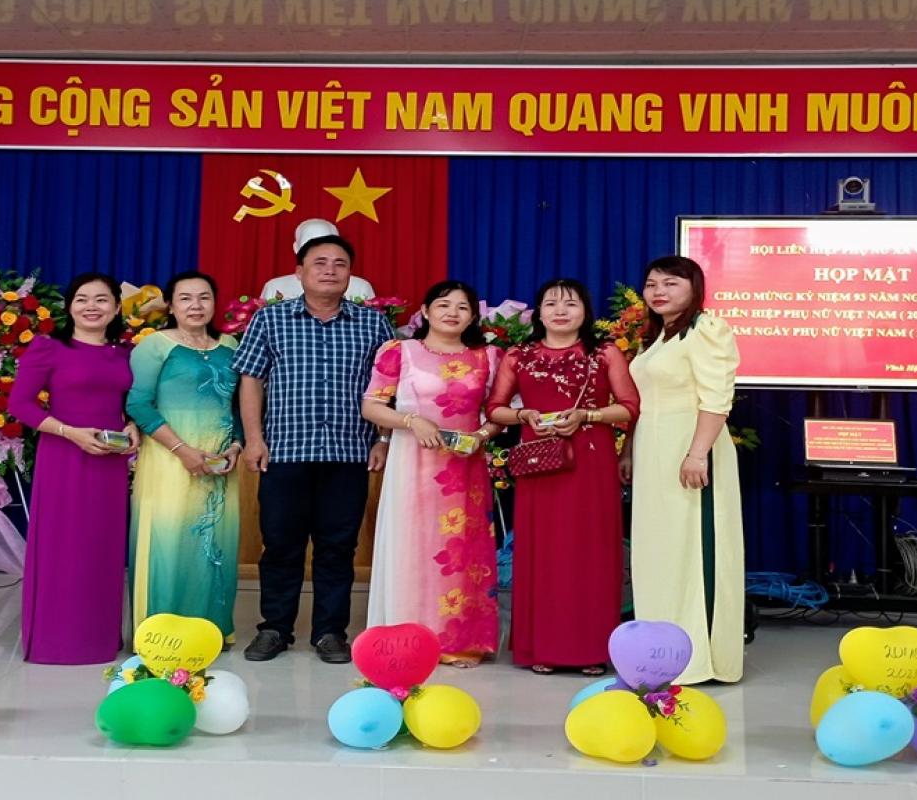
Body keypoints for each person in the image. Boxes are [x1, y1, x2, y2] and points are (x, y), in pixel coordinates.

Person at [233, 233, 395, 663]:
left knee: (338, 547)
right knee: (280, 544)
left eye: (340, 264)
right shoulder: (270, 320)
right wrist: (254, 438)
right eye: (319, 262)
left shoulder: (374, 325)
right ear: (299, 272)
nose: (329, 270)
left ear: (350, 275)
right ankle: (275, 628)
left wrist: (383, 439)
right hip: (284, 452)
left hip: (349, 453)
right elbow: (251, 380)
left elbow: (388, 388)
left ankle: (329, 632)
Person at [487, 279, 639, 675]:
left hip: (591, 462)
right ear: (538, 312)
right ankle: (542, 647)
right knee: (543, 552)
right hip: (540, 462)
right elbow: (495, 408)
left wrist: (588, 415)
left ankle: (591, 648)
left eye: (570, 304)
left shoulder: (604, 353)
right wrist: (523, 415)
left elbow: (629, 407)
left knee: (592, 551)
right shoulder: (518, 356)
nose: (560, 311)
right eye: (551, 303)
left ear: (585, 311)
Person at [362, 280, 504, 668]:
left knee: (461, 551)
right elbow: (371, 406)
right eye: (443, 305)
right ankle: (409, 636)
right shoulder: (400, 352)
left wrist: (481, 436)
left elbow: (498, 413)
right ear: (425, 311)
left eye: (462, 307)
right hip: (412, 462)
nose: (452, 313)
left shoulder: (488, 357)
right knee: (413, 545)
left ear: (473, 317)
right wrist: (411, 421)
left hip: (464, 467)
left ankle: (457, 640)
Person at [619, 255, 744, 684]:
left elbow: (717, 397)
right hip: (653, 449)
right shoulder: (657, 337)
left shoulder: (705, 329)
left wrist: (697, 453)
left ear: (694, 288)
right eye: (652, 284)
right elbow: (644, 403)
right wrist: (629, 451)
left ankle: (698, 657)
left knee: (693, 548)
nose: (659, 291)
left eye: (671, 283)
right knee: (660, 550)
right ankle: (659, 653)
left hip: (690, 446)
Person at [9, 272, 139, 665]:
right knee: (63, 547)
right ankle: (56, 641)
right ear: (69, 306)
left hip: (109, 463)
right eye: (82, 299)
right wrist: (70, 432)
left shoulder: (126, 353)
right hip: (63, 459)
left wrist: (133, 425)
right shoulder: (49, 348)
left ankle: (98, 638)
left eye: (101, 299)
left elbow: (131, 403)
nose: (91, 307)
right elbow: (20, 404)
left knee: (102, 548)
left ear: (115, 308)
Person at [126, 271, 242, 642]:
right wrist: (183, 451)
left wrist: (236, 446)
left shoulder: (231, 345)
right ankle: (159, 636)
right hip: (169, 459)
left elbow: (240, 405)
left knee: (216, 543)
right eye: (186, 298)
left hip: (219, 461)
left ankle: (210, 633)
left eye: (204, 297)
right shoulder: (155, 346)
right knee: (168, 542)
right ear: (171, 306)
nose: (195, 305)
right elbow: (138, 405)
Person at [259, 218, 376, 301]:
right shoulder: (274, 286)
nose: (329, 271)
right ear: (296, 248)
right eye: (320, 261)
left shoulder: (361, 287)